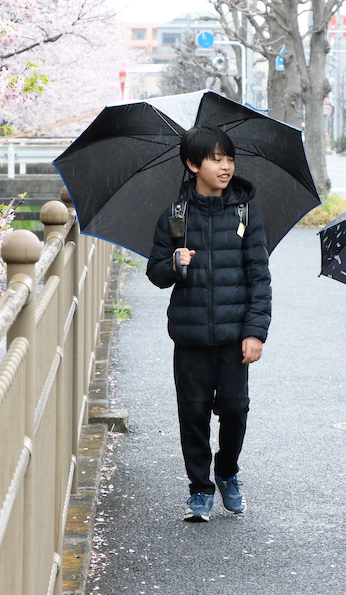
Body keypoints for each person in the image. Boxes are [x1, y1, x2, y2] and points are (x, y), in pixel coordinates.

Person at [146, 125, 271, 522]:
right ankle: (199, 488)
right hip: (191, 336)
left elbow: (259, 278)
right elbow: (155, 272)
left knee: (235, 409)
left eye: (229, 158)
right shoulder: (175, 216)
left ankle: (227, 472)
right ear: (192, 164)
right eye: (216, 158)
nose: (225, 166)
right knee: (193, 413)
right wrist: (174, 263)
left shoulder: (245, 214)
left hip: (235, 338)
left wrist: (255, 332)